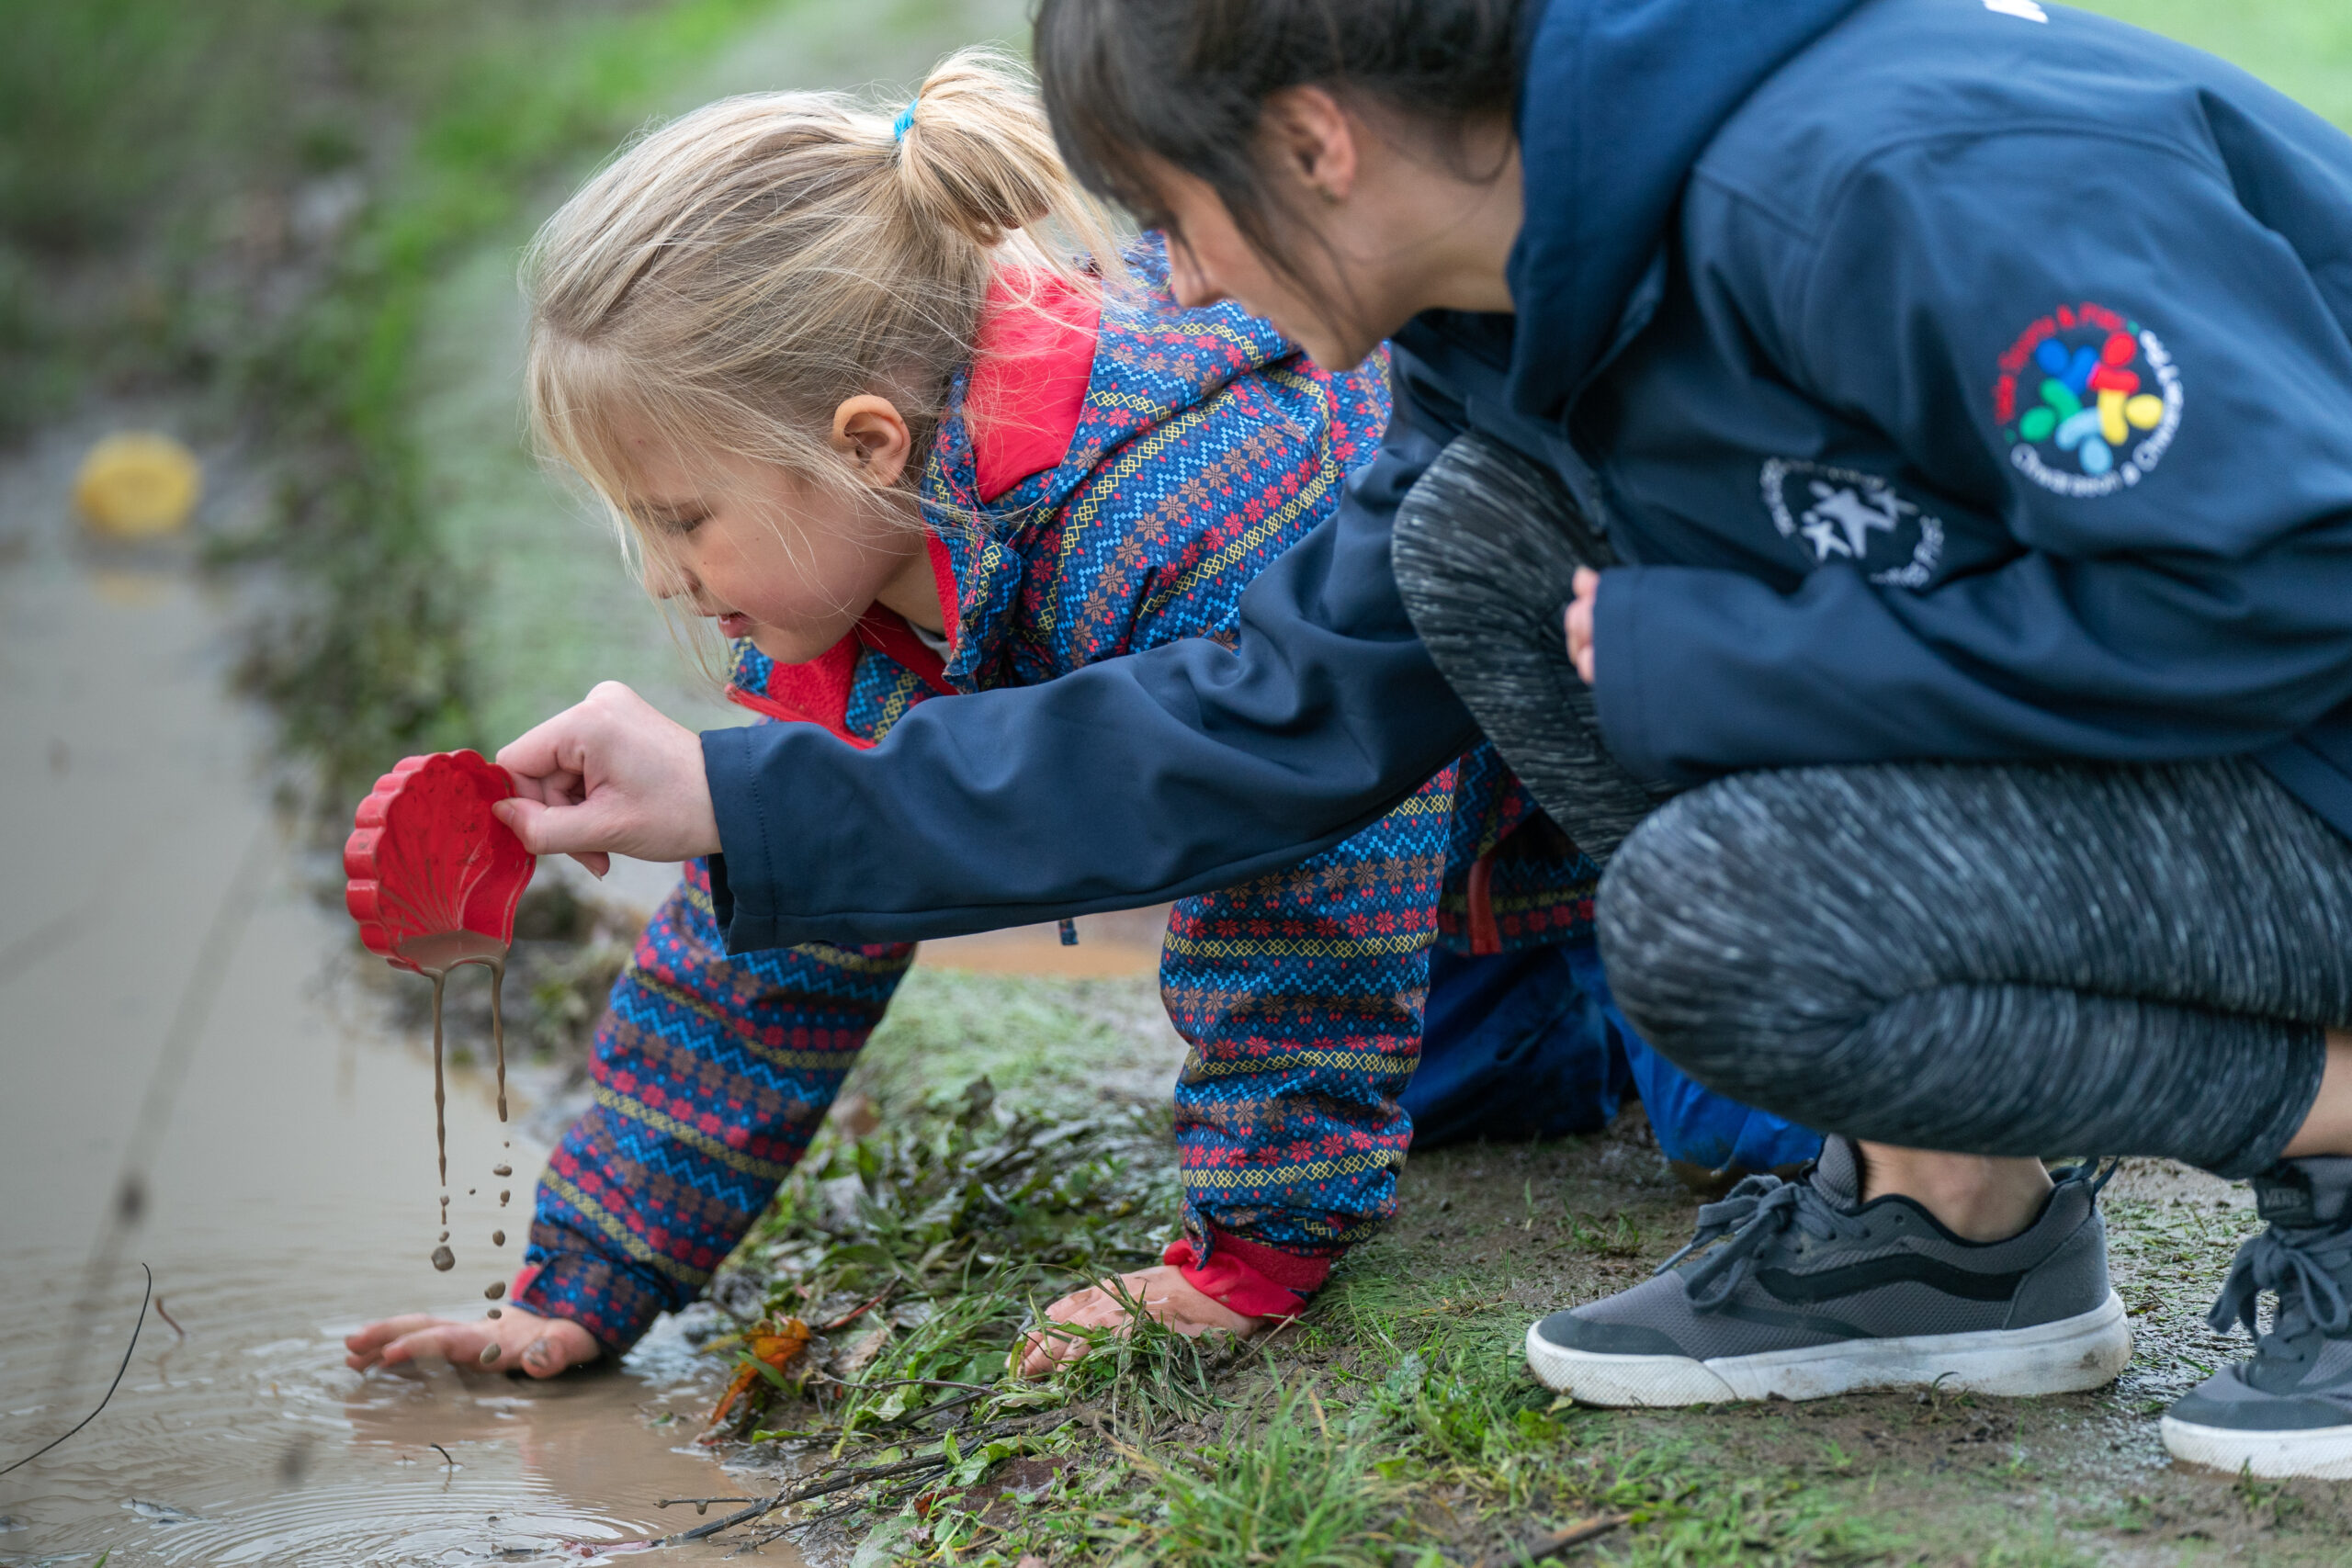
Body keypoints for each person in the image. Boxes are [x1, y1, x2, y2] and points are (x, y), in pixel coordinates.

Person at [487, 0, 2352, 1477]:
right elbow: (1278, 706)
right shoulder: (1509, 308)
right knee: (1479, 540)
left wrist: (1725, 662)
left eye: (1175, 215)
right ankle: (1946, 1221)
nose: (1181, 287)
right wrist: (738, 791)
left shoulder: (1895, 178)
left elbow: (2282, 584)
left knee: (1714, 921)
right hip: (2232, 770)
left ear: (1313, 138)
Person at [343, 50, 1806, 1390]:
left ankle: (1873, 1103)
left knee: (1765, 1142)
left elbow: (1306, 846)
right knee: (1460, 1093)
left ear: (863, 443)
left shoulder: (1178, 500)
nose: (665, 578)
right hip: (1467, 842)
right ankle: (1566, 994)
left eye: (680, 520)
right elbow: (782, 920)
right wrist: (592, 1276)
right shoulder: (858, 578)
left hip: (1653, 768)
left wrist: (1255, 1252)